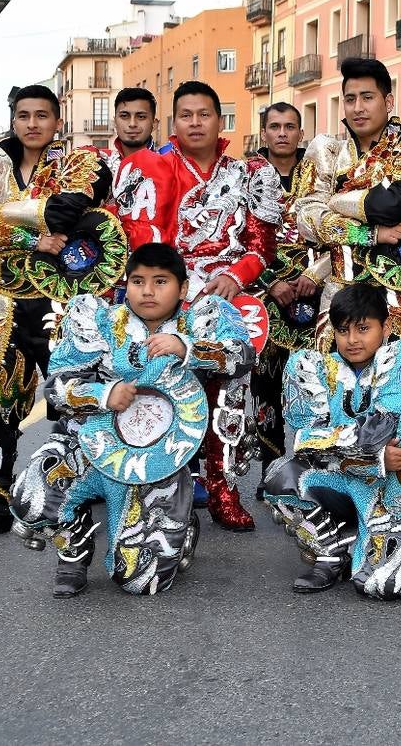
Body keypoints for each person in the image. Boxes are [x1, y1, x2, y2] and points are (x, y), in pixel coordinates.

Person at [10, 243, 255, 596]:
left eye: (160, 281)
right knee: (30, 499)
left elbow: (243, 356)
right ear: (127, 284)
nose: (148, 291)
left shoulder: (202, 319)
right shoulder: (99, 320)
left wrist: (188, 348)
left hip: (159, 462)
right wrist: (102, 395)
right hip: (90, 447)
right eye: (138, 281)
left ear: (183, 288)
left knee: (140, 580)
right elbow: (57, 387)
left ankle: (182, 525)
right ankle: (73, 543)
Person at [0, 84, 112, 542]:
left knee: (75, 404)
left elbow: (79, 208)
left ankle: (77, 498)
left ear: (57, 122)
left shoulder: (76, 165)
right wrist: (34, 236)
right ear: (12, 119)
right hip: (3, 301)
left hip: (62, 303)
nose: (32, 124)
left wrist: (11, 216)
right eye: (23, 115)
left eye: (42, 115)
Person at [263, 281, 401, 599]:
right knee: (283, 477)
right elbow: (306, 441)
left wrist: (343, 443)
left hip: (396, 490)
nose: (352, 340)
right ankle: (331, 553)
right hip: (344, 480)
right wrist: (372, 456)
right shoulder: (315, 369)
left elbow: (387, 429)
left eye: (363, 328)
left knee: (382, 587)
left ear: (386, 326)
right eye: (343, 330)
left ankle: (377, 540)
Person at [164, 80, 281, 531]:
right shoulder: (151, 171)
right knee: (168, 394)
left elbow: (261, 246)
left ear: (220, 120)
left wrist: (235, 276)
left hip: (227, 301)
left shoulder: (251, 174)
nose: (195, 123)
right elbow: (144, 238)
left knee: (227, 399)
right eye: (186, 114)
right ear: (174, 122)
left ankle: (223, 490)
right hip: (168, 298)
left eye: (204, 114)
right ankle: (165, 489)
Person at [292, 58, 401, 342]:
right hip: (340, 295)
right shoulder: (327, 151)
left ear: (388, 102)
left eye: (367, 97)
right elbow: (306, 221)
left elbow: (393, 206)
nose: (358, 107)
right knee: (335, 381)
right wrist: (369, 233)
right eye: (350, 99)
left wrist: (335, 202)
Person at [252, 102, 325, 485]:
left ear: (301, 132)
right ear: (264, 132)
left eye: (290, 126)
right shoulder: (247, 175)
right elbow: (237, 235)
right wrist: (269, 283)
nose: (282, 133)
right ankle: (272, 469)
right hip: (266, 294)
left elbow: (336, 224)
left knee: (316, 382)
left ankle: (314, 470)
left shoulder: (321, 172)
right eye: (275, 126)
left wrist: (317, 272)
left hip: (317, 292)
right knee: (267, 383)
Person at [93, 87, 178, 253]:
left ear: (154, 124)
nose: (132, 124)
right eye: (124, 116)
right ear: (114, 121)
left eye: (141, 116)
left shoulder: (171, 165)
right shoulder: (97, 163)